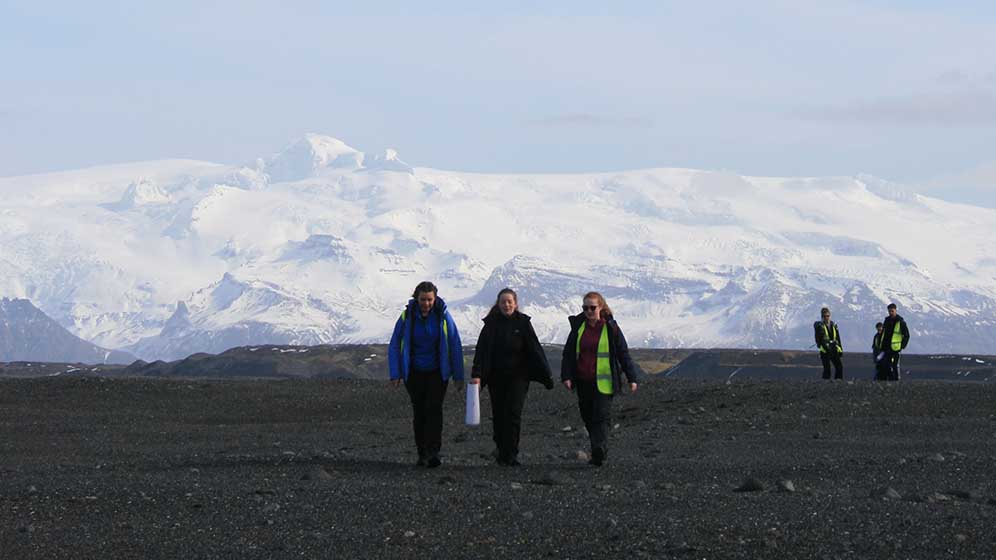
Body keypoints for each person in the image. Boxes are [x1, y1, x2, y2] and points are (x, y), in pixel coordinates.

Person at [470, 288, 554, 466]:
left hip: (518, 377)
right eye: (503, 302)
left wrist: (546, 375)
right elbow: (482, 352)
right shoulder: (491, 325)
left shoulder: (523, 323)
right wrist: (477, 375)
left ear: (515, 304)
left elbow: (535, 349)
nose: (506, 304)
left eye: (509, 301)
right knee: (499, 415)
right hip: (496, 378)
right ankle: (501, 450)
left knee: (514, 414)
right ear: (498, 304)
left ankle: (512, 453)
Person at [388, 281, 465, 468]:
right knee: (420, 411)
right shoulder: (407, 317)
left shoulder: (443, 316)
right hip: (414, 373)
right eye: (423, 299)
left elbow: (455, 344)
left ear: (435, 298)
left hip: (438, 372)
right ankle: (421, 452)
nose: (427, 303)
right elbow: (394, 344)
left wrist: (459, 375)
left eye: (430, 299)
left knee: (434, 410)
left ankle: (433, 452)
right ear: (417, 298)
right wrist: (395, 373)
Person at [560, 291, 640, 467]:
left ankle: (599, 450)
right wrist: (566, 376)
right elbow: (568, 354)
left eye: (592, 307)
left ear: (601, 307)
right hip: (583, 381)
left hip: (605, 382)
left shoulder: (611, 328)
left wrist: (631, 377)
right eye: (585, 308)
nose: (588, 311)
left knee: (601, 416)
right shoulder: (578, 327)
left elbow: (622, 353)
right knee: (588, 416)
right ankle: (598, 449)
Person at [880, 303, 910, 381]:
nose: (890, 313)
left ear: (895, 310)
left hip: (896, 348)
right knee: (887, 365)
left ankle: (896, 380)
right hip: (887, 347)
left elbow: (906, 335)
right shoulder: (886, 321)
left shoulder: (900, 322)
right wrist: (882, 346)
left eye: (892, 311)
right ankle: (890, 380)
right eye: (889, 311)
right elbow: (884, 334)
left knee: (895, 365)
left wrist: (902, 346)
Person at [814, 307, 843, 380]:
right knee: (827, 368)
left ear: (830, 315)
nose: (826, 318)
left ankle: (838, 382)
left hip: (833, 348)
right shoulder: (820, 326)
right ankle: (825, 384)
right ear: (822, 317)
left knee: (839, 366)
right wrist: (826, 347)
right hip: (825, 350)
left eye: (827, 316)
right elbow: (820, 339)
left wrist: (840, 349)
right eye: (824, 316)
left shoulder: (834, 325)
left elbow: (838, 338)